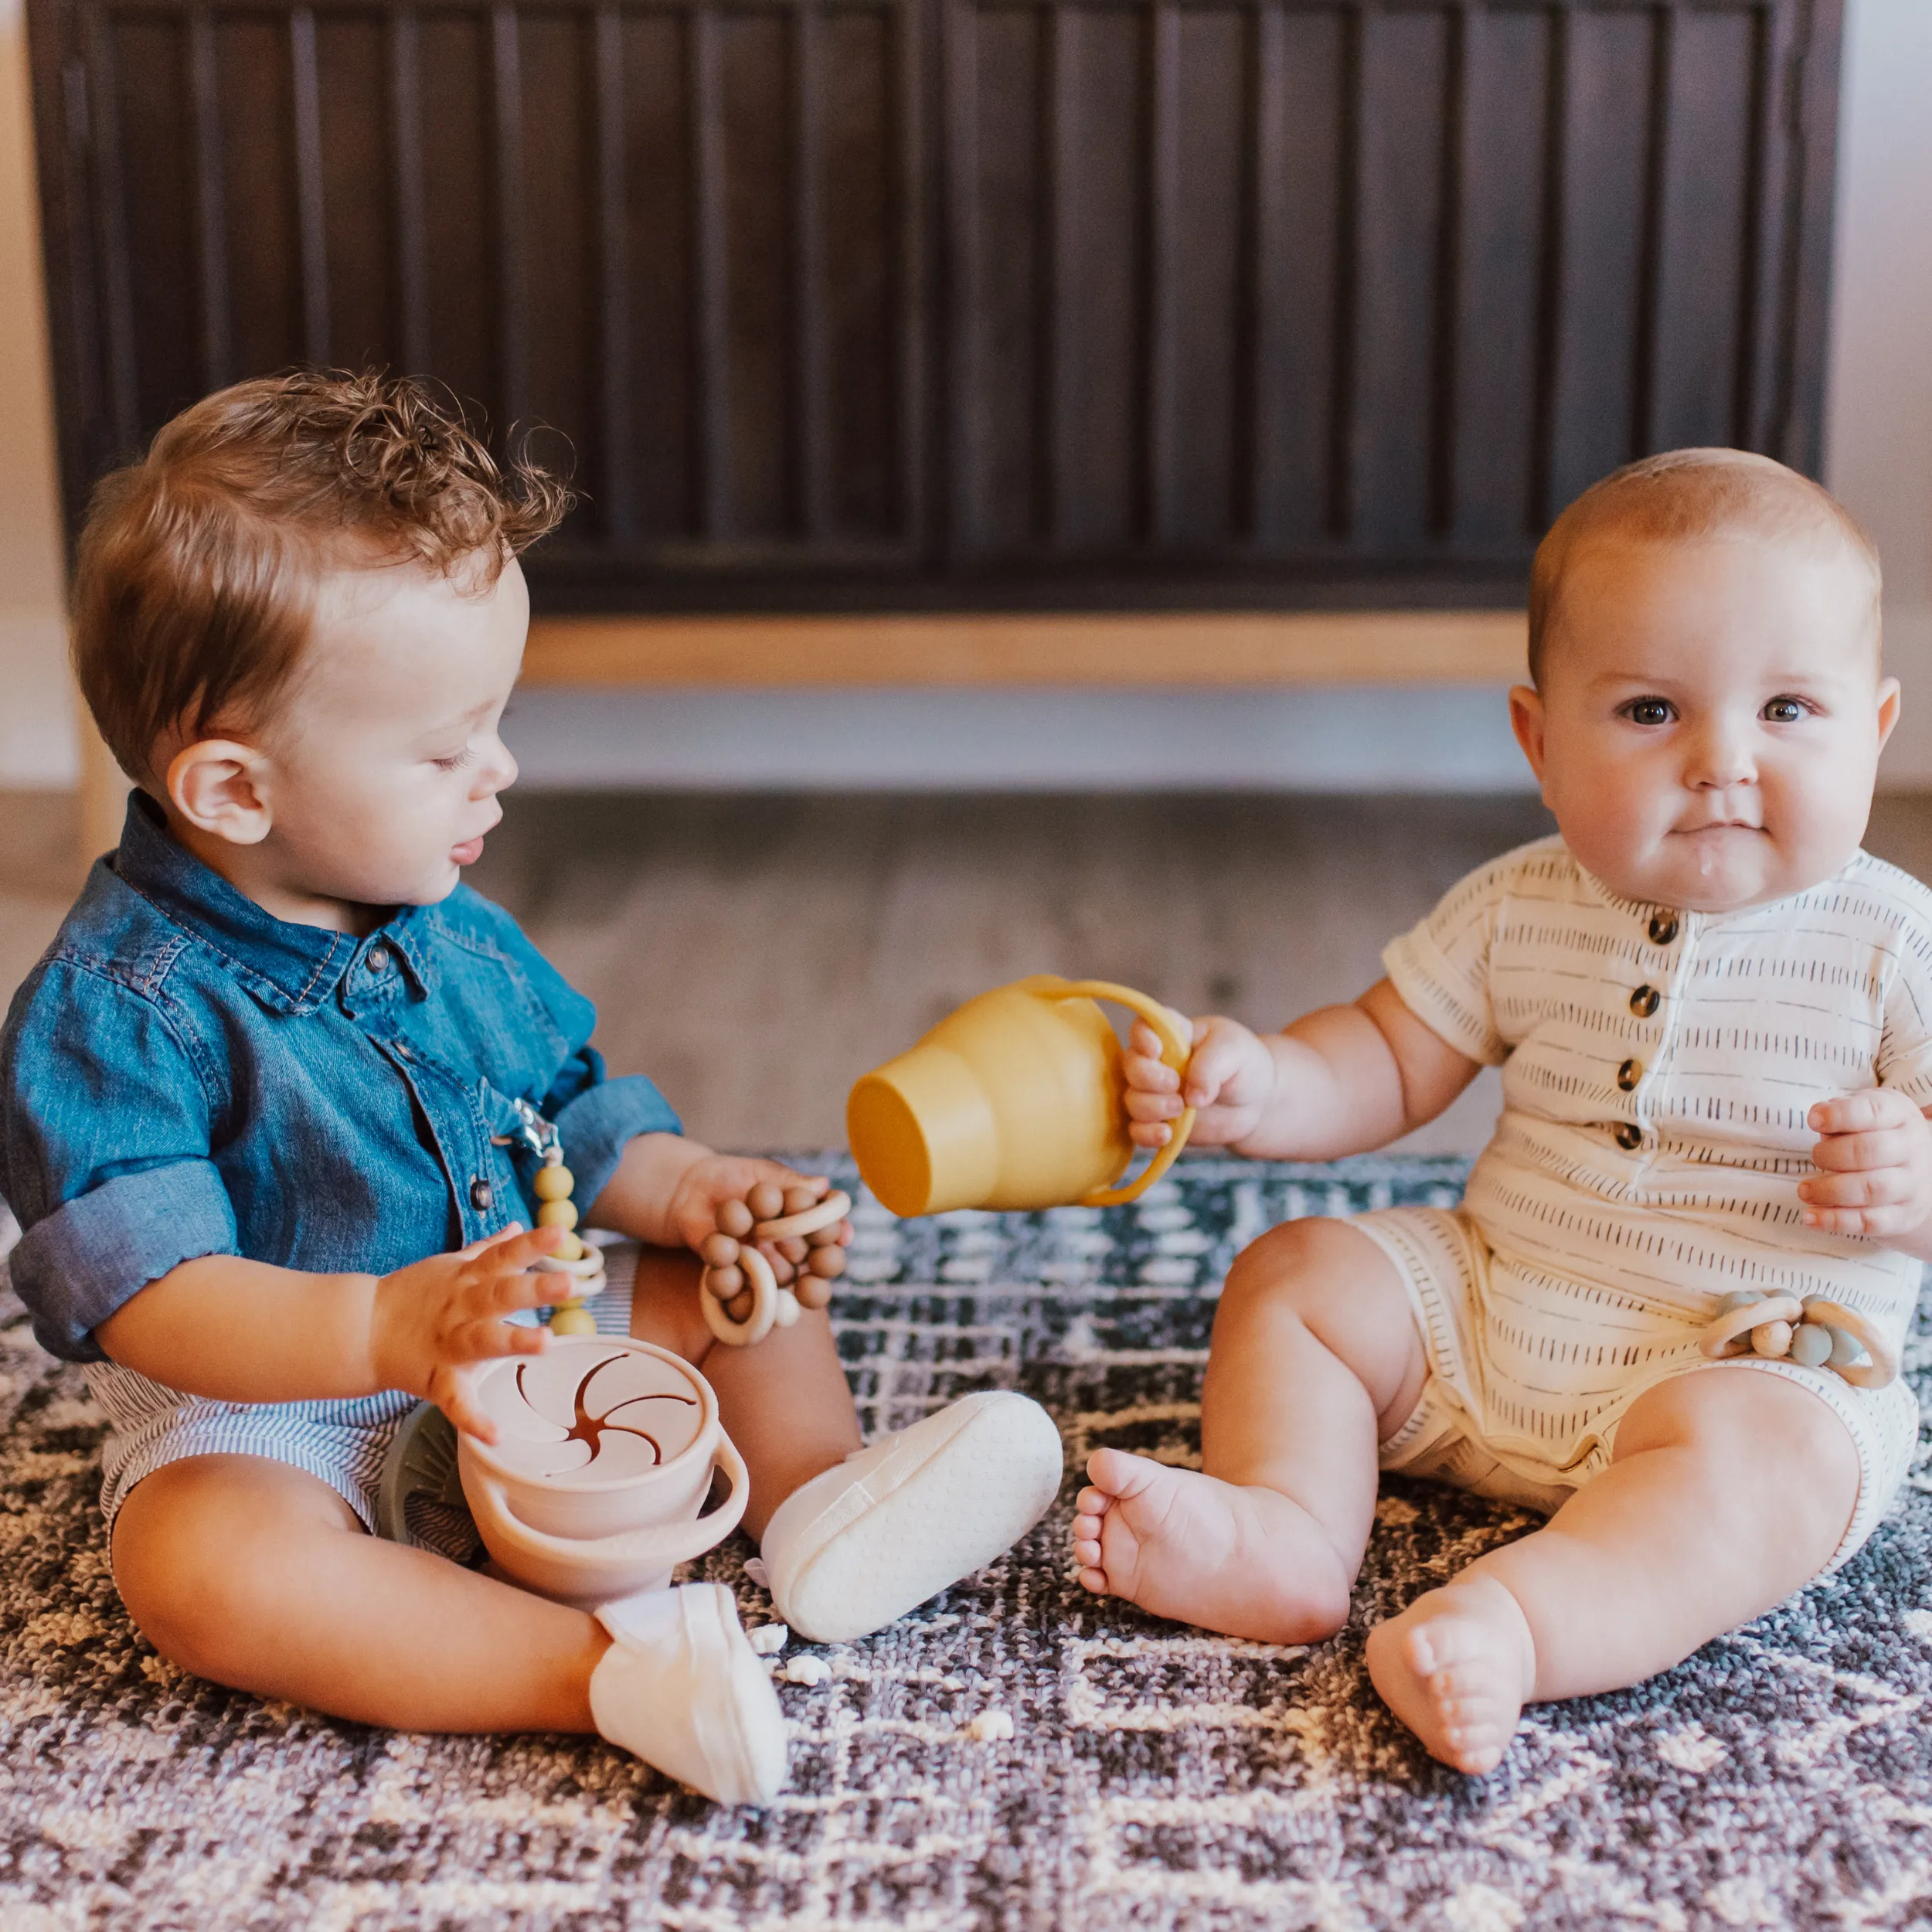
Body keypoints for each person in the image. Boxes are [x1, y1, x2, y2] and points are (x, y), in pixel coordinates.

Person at [0, 370, 1062, 1806]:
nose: (498, 771)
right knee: (197, 1570)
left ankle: (824, 1518)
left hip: (532, 1326)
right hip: (280, 1404)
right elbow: (151, 1296)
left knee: (749, 1298)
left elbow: (565, 1108)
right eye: (444, 749)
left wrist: (698, 1194)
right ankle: (604, 1677)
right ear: (238, 794)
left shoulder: (443, 926)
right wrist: (384, 1325)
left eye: (493, 720)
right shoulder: (113, 1012)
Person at [1073, 449, 1928, 1774]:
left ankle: (1515, 1628)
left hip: (1742, 1351)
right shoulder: (1520, 903)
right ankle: (1290, 1535)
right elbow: (1384, 1053)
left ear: (1873, 731)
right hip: (1492, 1314)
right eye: (1651, 710)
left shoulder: (1891, 944)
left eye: (1788, 712)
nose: (1722, 763)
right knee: (1296, 1273)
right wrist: (1262, 1087)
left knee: (1780, 1465)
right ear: (1540, 741)